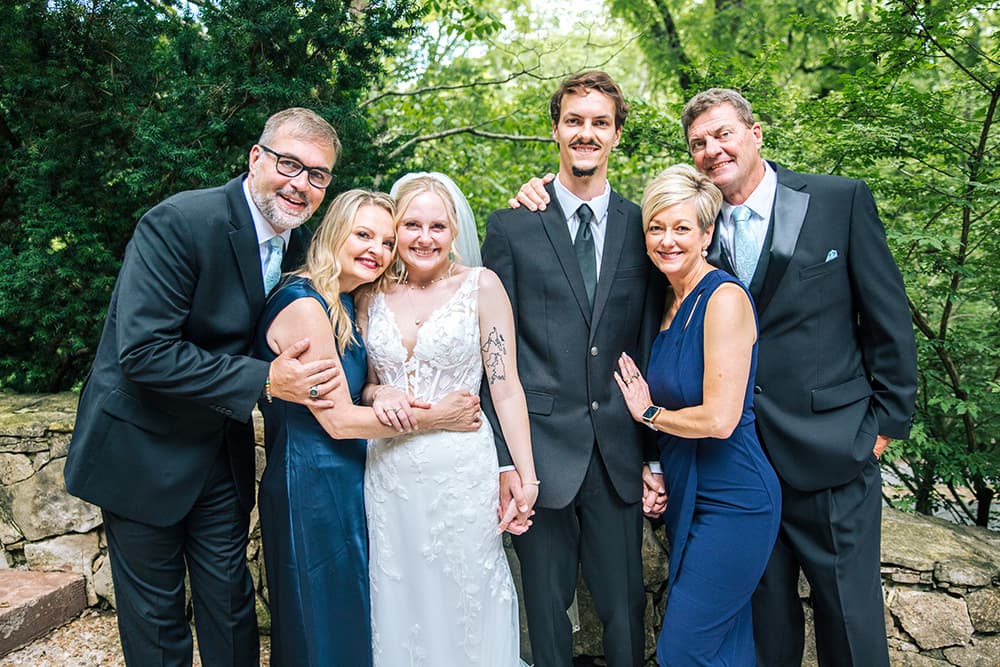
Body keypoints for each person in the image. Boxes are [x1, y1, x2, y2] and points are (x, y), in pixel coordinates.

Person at [515, 89, 919, 666]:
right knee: (761, 625)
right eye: (698, 142)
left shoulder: (838, 200)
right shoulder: (684, 235)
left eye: (723, 134)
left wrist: (883, 427)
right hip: (725, 465)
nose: (712, 149)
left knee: (849, 620)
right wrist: (541, 193)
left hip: (829, 450)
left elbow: (887, 317)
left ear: (756, 133)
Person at [64, 108, 347, 666]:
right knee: (157, 619)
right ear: (256, 159)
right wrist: (265, 378)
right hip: (140, 447)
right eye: (290, 164)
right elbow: (144, 352)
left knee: (231, 601)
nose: (301, 184)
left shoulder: (302, 246)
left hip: (219, 451)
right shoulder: (179, 222)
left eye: (318, 175)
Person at [252, 188, 484, 667]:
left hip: (345, 479)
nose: (375, 251)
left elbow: (355, 392)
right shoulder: (307, 306)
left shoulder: (341, 302)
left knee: (352, 623)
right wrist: (435, 416)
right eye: (362, 235)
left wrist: (380, 392)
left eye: (384, 240)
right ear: (334, 232)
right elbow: (336, 420)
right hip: (311, 486)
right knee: (321, 628)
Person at [483, 71, 668, 667]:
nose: (586, 133)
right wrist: (506, 459)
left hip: (615, 452)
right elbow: (492, 355)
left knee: (625, 613)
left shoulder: (646, 229)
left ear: (616, 134)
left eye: (600, 123)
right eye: (575, 121)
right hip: (537, 451)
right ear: (556, 129)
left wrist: (651, 455)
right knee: (543, 611)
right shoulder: (511, 225)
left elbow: (646, 346)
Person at [359, 172, 538, 666]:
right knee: (399, 592)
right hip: (389, 471)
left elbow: (504, 386)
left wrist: (525, 475)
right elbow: (366, 383)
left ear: (455, 230)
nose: (424, 237)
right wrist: (381, 391)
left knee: (469, 591)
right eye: (412, 224)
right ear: (395, 228)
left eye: (437, 226)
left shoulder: (481, 287)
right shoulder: (371, 293)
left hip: (461, 471)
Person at [614, 163, 780, 665]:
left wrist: (648, 412)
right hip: (691, 491)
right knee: (725, 645)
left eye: (682, 228)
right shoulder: (666, 301)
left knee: (683, 648)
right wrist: (657, 467)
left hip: (736, 499)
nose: (667, 240)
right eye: (656, 227)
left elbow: (719, 419)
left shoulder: (723, 299)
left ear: (707, 233)